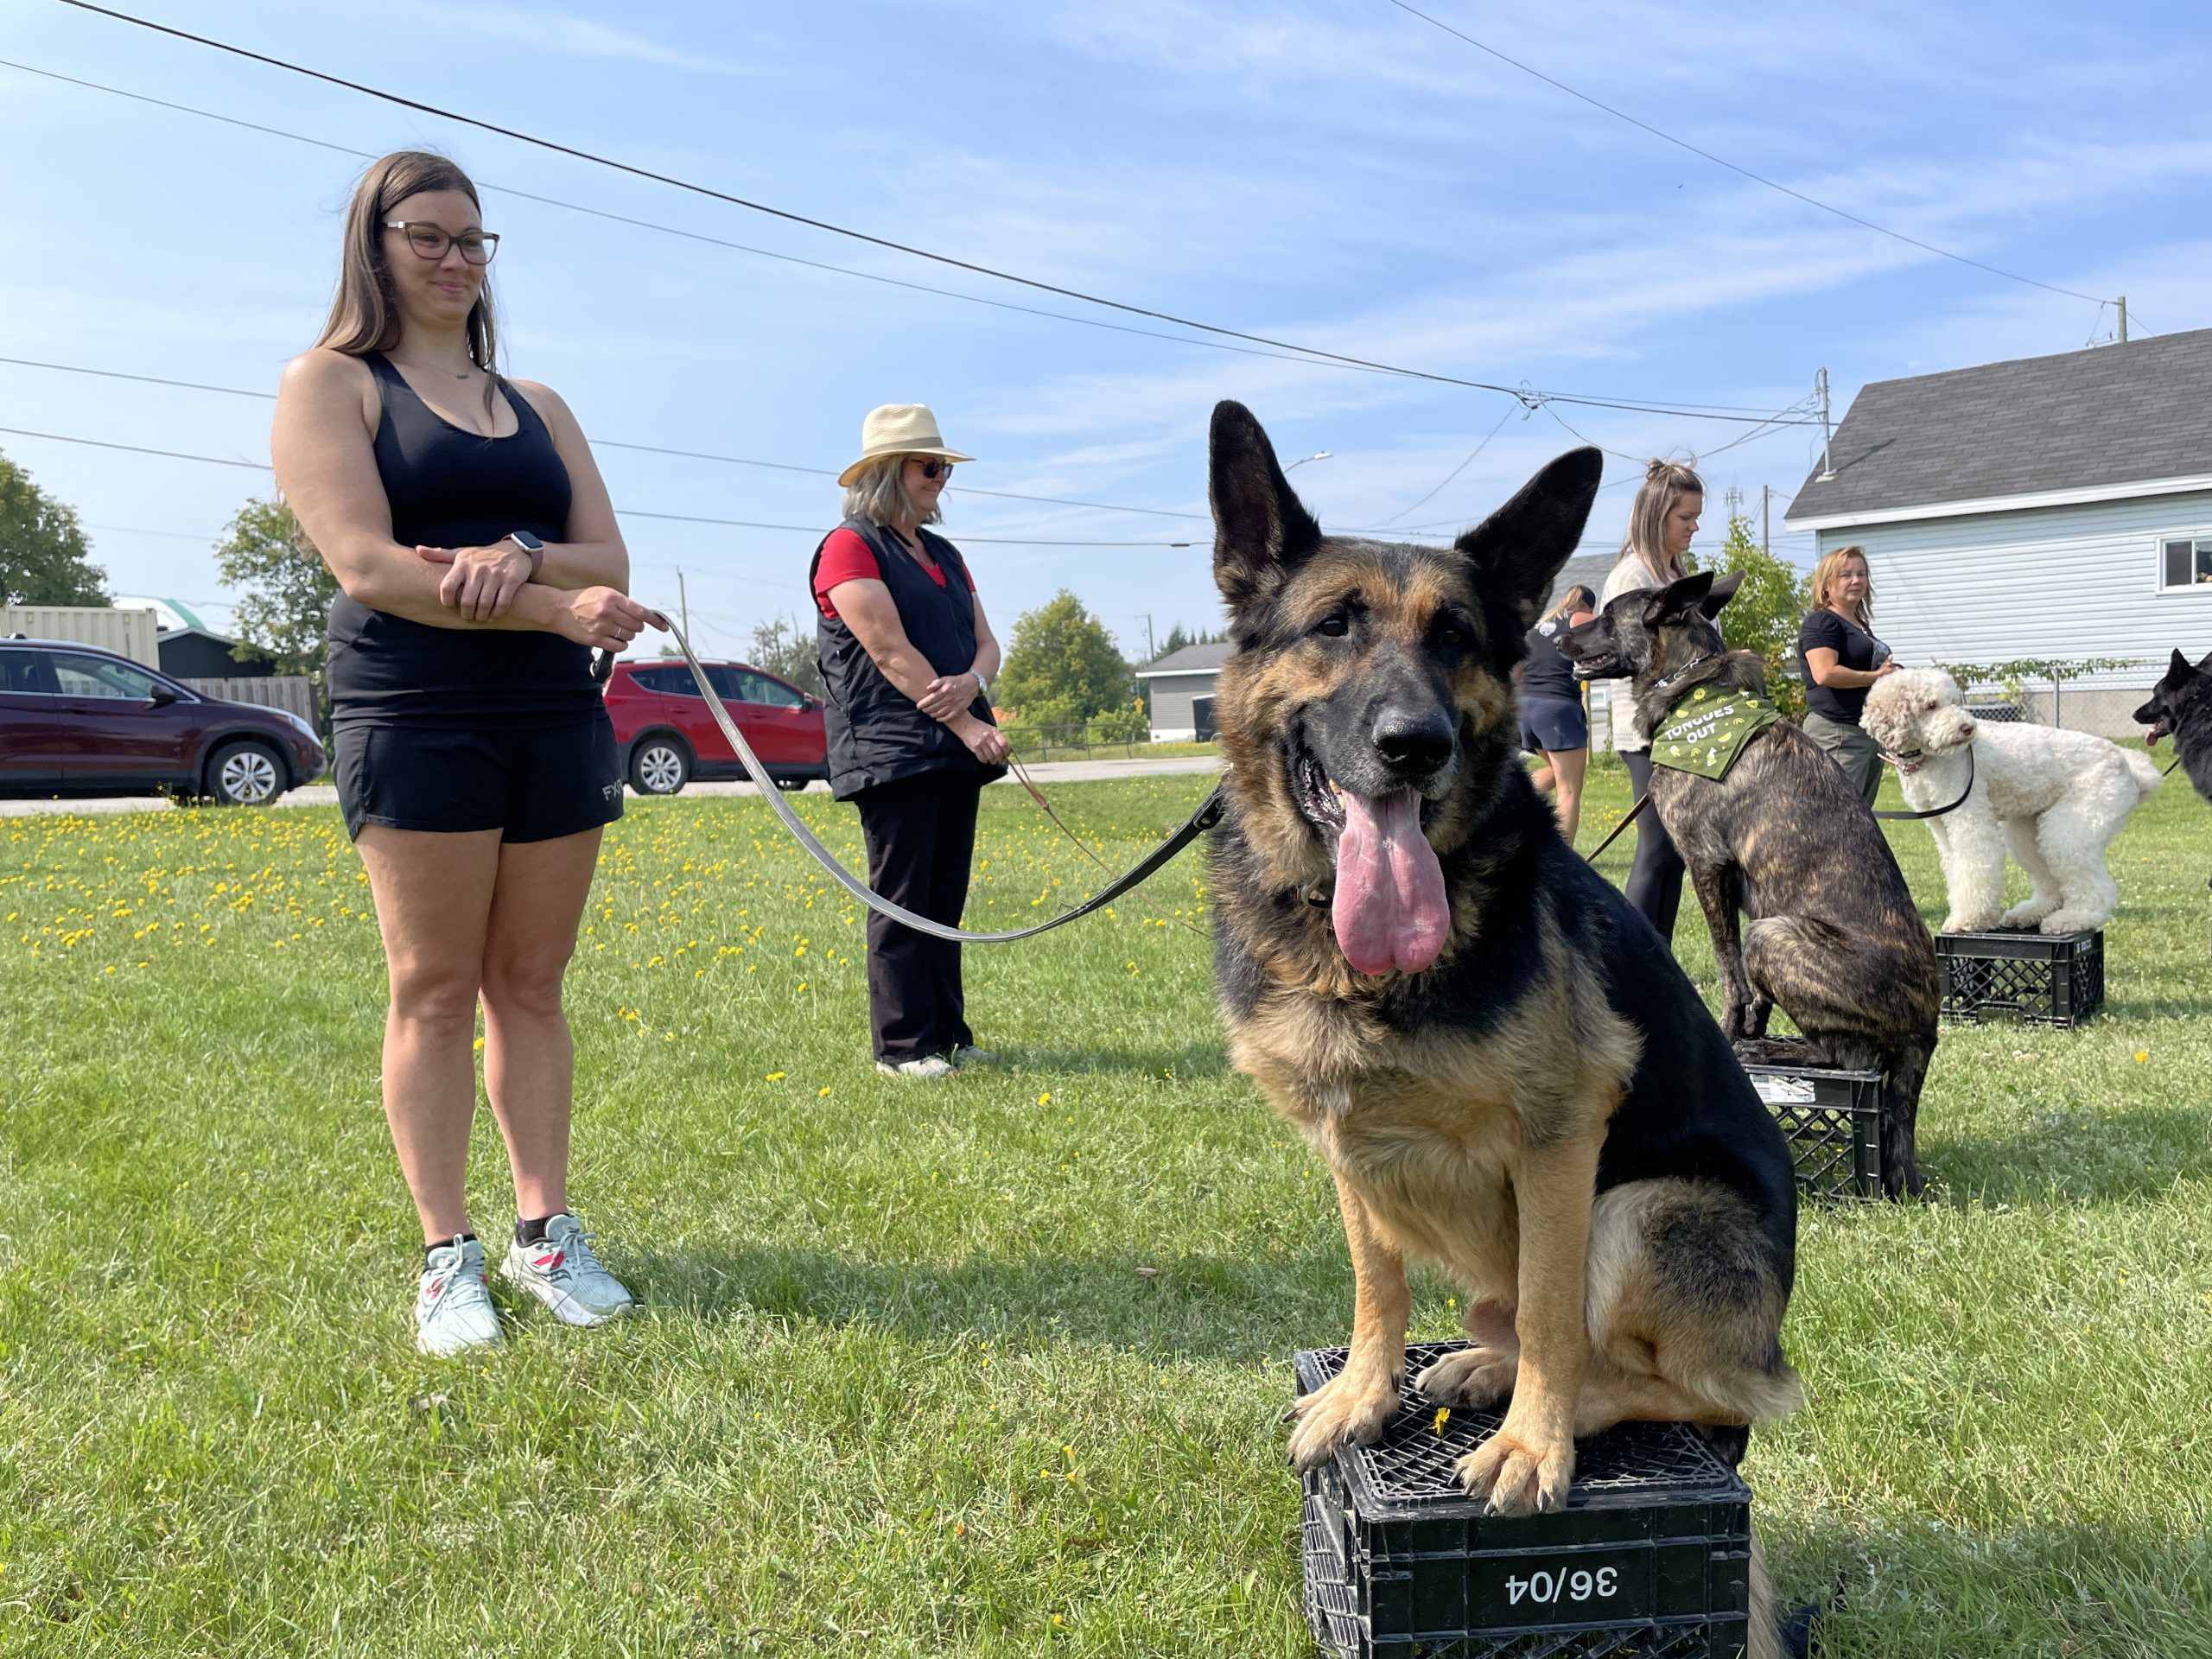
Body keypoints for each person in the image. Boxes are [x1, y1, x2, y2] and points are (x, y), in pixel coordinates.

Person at [270, 150, 654, 1356]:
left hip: (549, 714)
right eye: (427, 236)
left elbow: (609, 562)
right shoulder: (331, 384)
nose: (453, 259)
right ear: (374, 247)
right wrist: (541, 598)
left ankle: (545, 1233)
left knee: (531, 987)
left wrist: (525, 558)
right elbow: (369, 566)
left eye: (472, 240)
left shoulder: (538, 403)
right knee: (435, 988)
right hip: (413, 706)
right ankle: (448, 1259)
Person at [811, 405, 1010, 1081]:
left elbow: (989, 643)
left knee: (944, 900)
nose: (941, 478)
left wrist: (973, 680)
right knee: (902, 900)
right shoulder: (850, 547)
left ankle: (950, 1036)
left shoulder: (946, 554)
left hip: (952, 753)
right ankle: (902, 1048)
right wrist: (966, 720)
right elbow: (889, 650)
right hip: (893, 752)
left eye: (945, 466)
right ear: (887, 473)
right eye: (931, 466)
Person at [1600, 460, 1701, 942]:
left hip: (1681, 728)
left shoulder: (1674, 572)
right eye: (1686, 517)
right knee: (1658, 846)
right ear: (1658, 515)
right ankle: (1631, 959)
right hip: (1645, 731)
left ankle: (1657, 956)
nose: (1694, 527)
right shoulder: (1632, 577)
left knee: (1676, 852)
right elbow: (1628, 657)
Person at [1798, 545, 1896, 806]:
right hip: (1837, 734)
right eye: (1846, 575)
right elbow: (1825, 673)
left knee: (1859, 821)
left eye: (1861, 574)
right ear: (1827, 584)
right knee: (1837, 820)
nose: (1856, 580)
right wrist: (1876, 676)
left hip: (1863, 734)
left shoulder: (1859, 626)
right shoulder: (1822, 622)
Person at [1520, 583, 1597, 844]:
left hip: (1525, 708)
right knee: (1570, 791)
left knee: (1557, 771)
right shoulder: (1579, 617)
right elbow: (1611, 630)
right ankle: (1563, 864)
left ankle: (1515, 795)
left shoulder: (1538, 627)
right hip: (1558, 709)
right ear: (1588, 606)